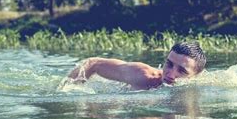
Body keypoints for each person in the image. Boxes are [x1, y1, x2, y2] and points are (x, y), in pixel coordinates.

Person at [68, 41, 206, 90]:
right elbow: (93, 63)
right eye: (169, 64)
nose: (170, 74)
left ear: (196, 76)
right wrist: (68, 89)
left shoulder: (201, 88)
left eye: (181, 71)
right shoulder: (142, 75)